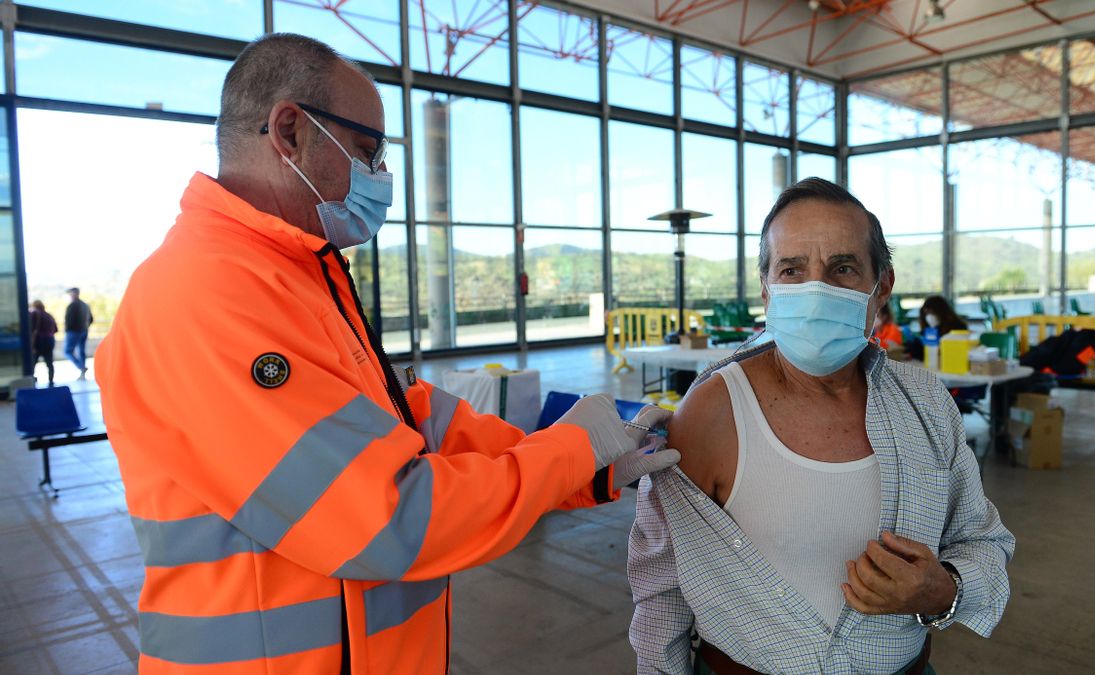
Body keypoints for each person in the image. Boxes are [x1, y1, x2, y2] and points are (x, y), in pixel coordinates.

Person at [95, 34, 679, 674]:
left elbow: (413, 423)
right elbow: (387, 517)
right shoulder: (205, 294)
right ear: (290, 131)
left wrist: (584, 466)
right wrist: (567, 452)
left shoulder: (297, 272)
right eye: (368, 151)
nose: (381, 179)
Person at [628, 178, 1014, 674]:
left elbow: (983, 539)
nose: (816, 292)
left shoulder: (925, 404)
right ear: (766, 289)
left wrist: (944, 591)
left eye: (843, 268)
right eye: (792, 270)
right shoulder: (713, 412)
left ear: (882, 288)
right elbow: (662, 588)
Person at [63, 287, 93, 379]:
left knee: (67, 351)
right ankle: (82, 372)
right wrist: (85, 327)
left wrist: (68, 329)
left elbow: (69, 320)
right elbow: (91, 319)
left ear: (75, 294)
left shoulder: (72, 305)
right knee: (81, 351)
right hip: (84, 331)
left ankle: (81, 367)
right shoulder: (85, 305)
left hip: (74, 331)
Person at [29, 299, 57, 385]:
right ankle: (51, 380)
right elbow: (56, 329)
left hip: (39, 341)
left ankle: (31, 380)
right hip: (50, 340)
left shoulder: (34, 314)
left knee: (33, 362)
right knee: (49, 362)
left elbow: (31, 329)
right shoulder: (49, 315)